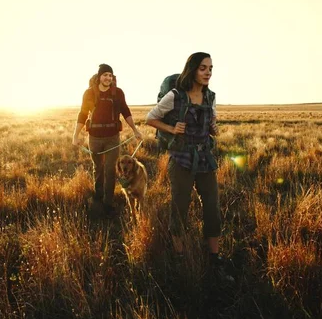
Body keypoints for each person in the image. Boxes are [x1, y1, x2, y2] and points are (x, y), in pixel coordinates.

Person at [145, 52, 225, 268]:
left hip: (205, 159)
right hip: (181, 158)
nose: (208, 72)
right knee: (180, 207)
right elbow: (150, 118)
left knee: (212, 206)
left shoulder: (211, 96)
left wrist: (213, 128)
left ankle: (214, 257)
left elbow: (213, 119)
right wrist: (171, 128)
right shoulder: (175, 95)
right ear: (192, 70)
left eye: (210, 68)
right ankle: (180, 256)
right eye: (203, 68)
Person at [73, 64, 143, 216]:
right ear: (99, 77)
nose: (108, 78)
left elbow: (126, 111)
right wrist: (75, 135)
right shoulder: (89, 93)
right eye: (105, 75)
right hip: (95, 138)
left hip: (112, 138)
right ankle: (98, 196)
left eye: (110, 75)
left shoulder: (117, 93)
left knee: (110, 170)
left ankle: (108, 203)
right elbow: (83, 113)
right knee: (98, 168)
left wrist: (135, 130)